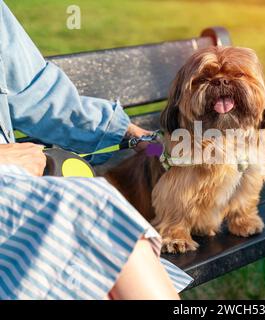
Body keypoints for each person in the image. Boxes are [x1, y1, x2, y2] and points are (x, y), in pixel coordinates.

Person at [0, 0, 192, 299]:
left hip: (17, 187)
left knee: (97, 252)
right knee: (92, 213)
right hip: (16, 187)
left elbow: (40, 96)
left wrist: (135, 137)